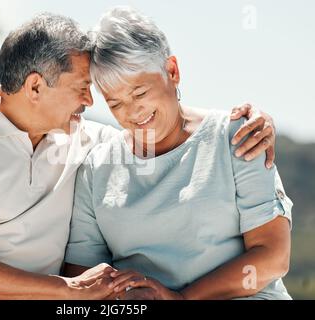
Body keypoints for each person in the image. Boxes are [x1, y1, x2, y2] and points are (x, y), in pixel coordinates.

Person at [0, 12, 279, 300]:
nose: (90, 102)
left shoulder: (90, 142)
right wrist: (66, 290)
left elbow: (161, 135)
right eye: (84, 89)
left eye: (99, 94)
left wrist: (259, 121)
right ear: (35, 87)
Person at [64, 7, 293, 300]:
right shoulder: (96, 168)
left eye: (139, 93)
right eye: (115, 103)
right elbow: (79, 275)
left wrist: (182, 298)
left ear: (172, 71)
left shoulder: (237, 135)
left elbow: (272, 257)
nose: (133, 113)